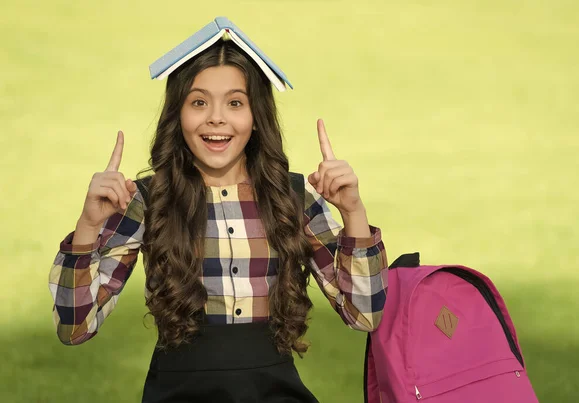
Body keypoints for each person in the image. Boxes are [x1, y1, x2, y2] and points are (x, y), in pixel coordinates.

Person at [48, 26, 388, 403]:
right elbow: (75, 327)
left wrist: (353, 213)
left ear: (256, 116)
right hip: (178, 392)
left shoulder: (293, 197)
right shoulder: (147, 200)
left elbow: (365, 314)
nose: (216, 118)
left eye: (235, 103)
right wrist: (88, 227)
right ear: (177, 115)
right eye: (198, 103)